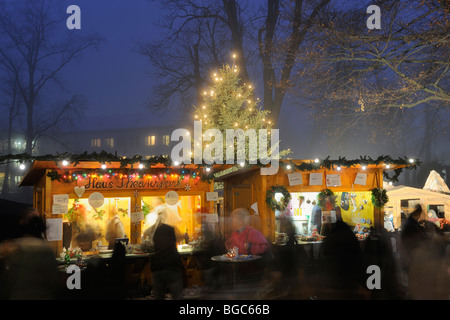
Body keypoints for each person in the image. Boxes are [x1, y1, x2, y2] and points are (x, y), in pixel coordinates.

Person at [0, 211, 57, 299]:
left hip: (18, 295)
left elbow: (7, 278)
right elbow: (52, 278)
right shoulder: (47, 250)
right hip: (41, 295)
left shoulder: (13, 247)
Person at [147, 207, 184, 300]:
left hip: (157, 267)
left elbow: (146, 245)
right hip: (172, 265)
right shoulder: (171, 228)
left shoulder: (150, 230)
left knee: (158, 296)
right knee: (177, 295)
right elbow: (180, 237)